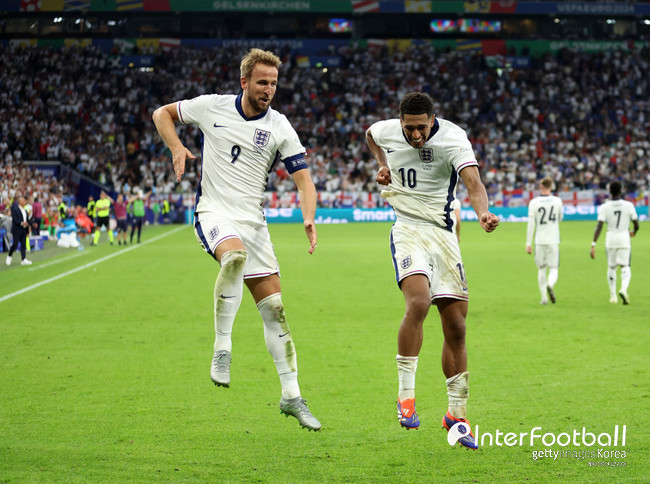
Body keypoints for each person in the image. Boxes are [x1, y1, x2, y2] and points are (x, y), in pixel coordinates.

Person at [152, 48, 321, 430]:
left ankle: (292, 396)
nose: (269, 89)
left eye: (274, 83)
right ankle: (222, 348)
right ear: (244, 81)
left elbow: (304, 182)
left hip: (253, 222)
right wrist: (177, 146)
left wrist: (308, 217)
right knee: (234, 257)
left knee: (275, 308)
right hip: (213, 211)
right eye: (262, 82)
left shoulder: (280, 126)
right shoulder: (211, 107)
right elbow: (161, 113)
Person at [365, 92, 499, 449]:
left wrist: (482, 211)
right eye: (409, 128)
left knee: (456, 325)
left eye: (421, 128)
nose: (415, 135)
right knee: (419, 302)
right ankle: (405, 396)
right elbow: (371, 136)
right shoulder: (387, 130)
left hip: (443, 234)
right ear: (400, 121)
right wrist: (382, 164)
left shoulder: (453, 137)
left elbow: (473, 182)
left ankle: (457, 414)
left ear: (433, 119)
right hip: (407, 228)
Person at [590, 181, 639, 304]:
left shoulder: (604, 207)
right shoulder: (628, 205)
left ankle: (613, 296)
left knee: (611, 267)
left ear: (609, 192)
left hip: (610, 239)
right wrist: (634, 232)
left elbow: (599, 226)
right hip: (624, 238)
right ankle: (623, 289)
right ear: (621, 190)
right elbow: (636, 224)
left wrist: (593, 244)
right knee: (625, 266)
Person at [525, 177, 563, 305]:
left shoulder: (534, 202)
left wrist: (528, 242)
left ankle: (544, 298)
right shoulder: (558, 201)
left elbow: (531, 224)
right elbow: (560, 218)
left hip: (539, 239)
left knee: (541, 268)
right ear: (551, 187)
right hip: (553, 239)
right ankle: (550, 284)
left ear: (541, 187)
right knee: (553, 268)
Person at [5, 194, 32, 266]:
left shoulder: (25, 210)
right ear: (20, 202)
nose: (25, 201)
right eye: (23, 200)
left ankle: (23, 259)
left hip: (23, 230)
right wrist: (22, 223)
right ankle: (9, 256)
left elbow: (28, 220)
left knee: (23, 245)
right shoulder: (15, 209)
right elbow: (14, 220)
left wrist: (31, 224)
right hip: (17, 229)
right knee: (15, 244)